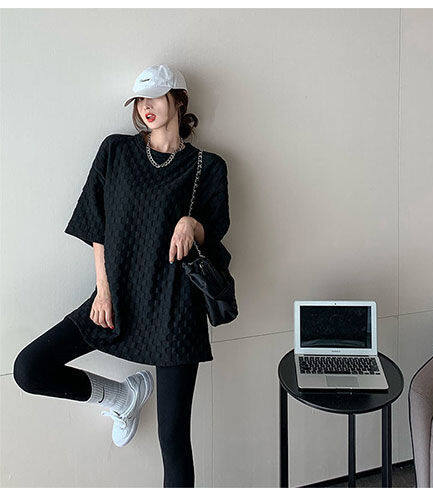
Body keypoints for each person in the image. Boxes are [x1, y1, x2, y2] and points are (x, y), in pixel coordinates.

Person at [13, 64, 232, 488]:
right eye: (140, 100)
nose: (147, 107)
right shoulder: (116, 151)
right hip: (117, 297)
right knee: (30, 368)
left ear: (179, 100)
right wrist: (103, 291)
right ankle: (121, 397)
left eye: (156, 97)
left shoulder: (209, 166)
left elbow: (216, 228)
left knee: (174, 440)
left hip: (175, 310)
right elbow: (96, 224)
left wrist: (191, 224)